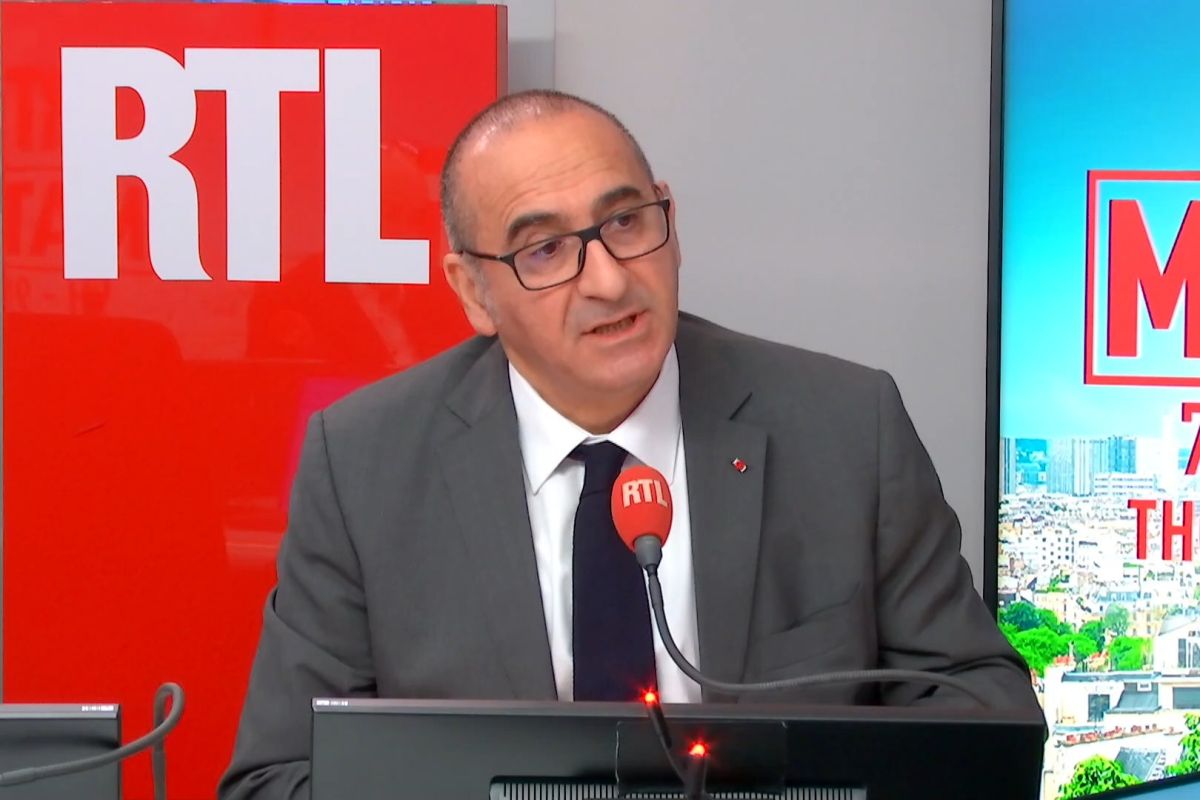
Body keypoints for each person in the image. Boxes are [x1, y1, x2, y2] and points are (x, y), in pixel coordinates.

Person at [218, 90, 1040, 800]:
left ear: (669, 222)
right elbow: (279, 776)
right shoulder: (364, 463)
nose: (609, 280)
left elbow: (981, 711)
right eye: (545, 250)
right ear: (473, 291)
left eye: (625, 221)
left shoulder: (845, 427)